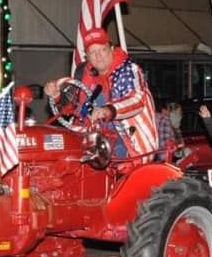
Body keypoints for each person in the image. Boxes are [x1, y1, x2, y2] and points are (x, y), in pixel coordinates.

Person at [44, 28, 158, 159]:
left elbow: (137, 100)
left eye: (102, 49)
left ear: (111, 48)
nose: (98, 56)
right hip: (92, 142)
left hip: (128, 143)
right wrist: (56, 94)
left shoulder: (128, 71)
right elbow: (72, 107)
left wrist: (107, 110)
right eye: (92, 52)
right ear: (87, 56)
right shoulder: (83, 74)